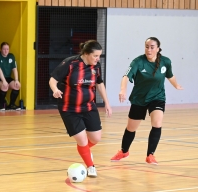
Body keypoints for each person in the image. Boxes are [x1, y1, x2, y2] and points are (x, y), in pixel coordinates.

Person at [110, 37, 183, 165]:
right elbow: (126, 76)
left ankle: (150, 155)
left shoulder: (165, 62)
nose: (149, 49)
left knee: (157, 123)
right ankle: (124, 151)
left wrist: (176, 85)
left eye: (152, 47)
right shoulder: (138, 62)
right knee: (131, 128)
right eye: (147, 47)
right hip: (139, 98)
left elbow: (170, 76)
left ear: (158, 48)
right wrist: (123, 90)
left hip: (157, 97)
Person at [49, 40, 112, 177]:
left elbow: (99, 84)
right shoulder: (70, 64)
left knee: (95, 138)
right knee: (82, 140)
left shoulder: (96, 66)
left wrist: (107, 102)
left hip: (89, 106)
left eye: (99, 56)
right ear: (86, 53)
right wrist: (55, 89)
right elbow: (53, 79)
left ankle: (85, 151)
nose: (98, 59)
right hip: (69, 109)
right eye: (95, 56)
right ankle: (91, 166)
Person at [0, 42, 21, 111]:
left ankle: (12, 104)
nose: (6, 51)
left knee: (17, 85)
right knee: (4, 86)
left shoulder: (11, 56)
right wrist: (4, 81)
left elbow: (15, 69)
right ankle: (0, 105)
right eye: (4, 49)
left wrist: (16, 80)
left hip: (7, 77)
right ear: (0, 49)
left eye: (7, 49)